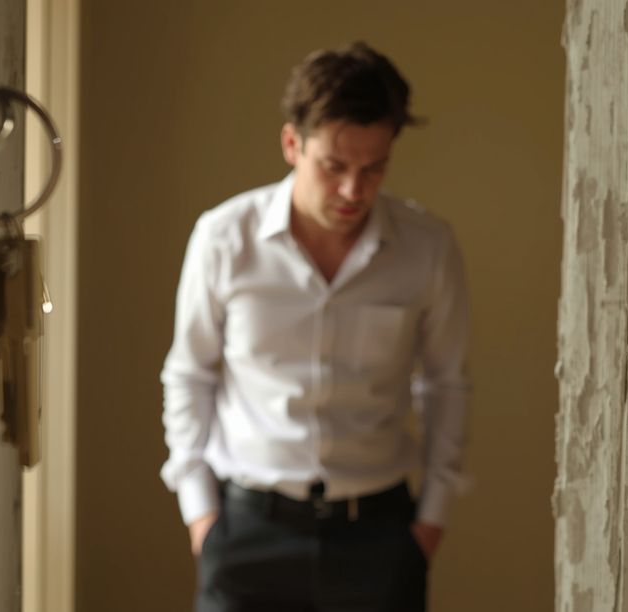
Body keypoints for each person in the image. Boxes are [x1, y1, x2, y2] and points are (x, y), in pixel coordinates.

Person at [160, 41, 470, 612]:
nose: (354, 190)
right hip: (246, 531)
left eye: (373, 168)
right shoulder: (224, 238)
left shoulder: (428, 248)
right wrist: (202, 518)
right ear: (291, 144)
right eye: (335, 166)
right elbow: (189, 374)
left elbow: (445, 383)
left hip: (379, 536)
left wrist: (430, 524)